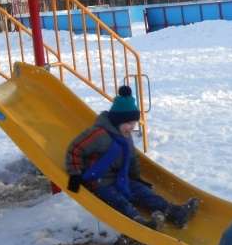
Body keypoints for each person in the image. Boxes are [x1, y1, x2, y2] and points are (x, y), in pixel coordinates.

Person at [65, 85, 198, 230]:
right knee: (118, 200)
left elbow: (131, 158)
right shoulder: (98, 134)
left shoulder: (126, 136)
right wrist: (75, 175)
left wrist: (136, 178)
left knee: (144, 193)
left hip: (120, 178)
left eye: (133, 123)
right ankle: (139, 222)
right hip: (99, 181)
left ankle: (174, 213)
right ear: (117, 120)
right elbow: (75, 150)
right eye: (128, 123)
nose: (131, 127)